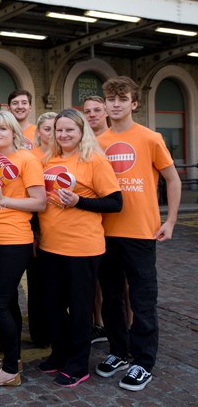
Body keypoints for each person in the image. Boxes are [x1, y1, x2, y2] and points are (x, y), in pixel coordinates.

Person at [95, 76, 181, 392]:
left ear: (134, 103)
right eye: (111, 99)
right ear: (105, 104)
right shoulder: (98, 142)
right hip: (105, 232)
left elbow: (172, 179)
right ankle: (119, 351)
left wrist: (170, 220)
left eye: (122, 99)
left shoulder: (150, 138)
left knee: (143, 299)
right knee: (112, 299)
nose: (115, 104)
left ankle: (143, 362)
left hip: (141, 232)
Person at [37, 109, 122, 387]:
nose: (63, 135)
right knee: (54, 306)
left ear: (81, 131)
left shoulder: (94, 160)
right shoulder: (49, 159)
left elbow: (115, 203)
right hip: (51, 246)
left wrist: (79, 202)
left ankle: (77, 365)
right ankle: (59, 355)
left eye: (69, 130)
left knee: (80, 309)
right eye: (58, 130)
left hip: (83, 247)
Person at [0, 110, 46, 387]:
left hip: (15, 240)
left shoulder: (27, 159)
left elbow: (39, 202)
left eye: (3, 129)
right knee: (7, 302)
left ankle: (9, 371)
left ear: (14, 132)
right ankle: (12, 358)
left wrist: (4, 199)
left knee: (1, 302)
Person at [26, 111, 57, 348]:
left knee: (59, 287)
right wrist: (34, 233)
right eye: (47, 128)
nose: (53, 133)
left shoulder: (68, 155)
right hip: (38, 229)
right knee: (37, 286)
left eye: (56, 128)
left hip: (64, 232)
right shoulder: (32, 158)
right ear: (38, 132)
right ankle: (41, 334)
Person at [82, 96, 111, 342]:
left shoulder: (103, 150)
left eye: (96, 110)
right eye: (87, 111)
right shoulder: (82, 147)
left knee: (120, 284)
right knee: (94, 284)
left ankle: (128, 330)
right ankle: (98, 323)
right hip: (92, 228)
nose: (92, 115)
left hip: (121, 224)